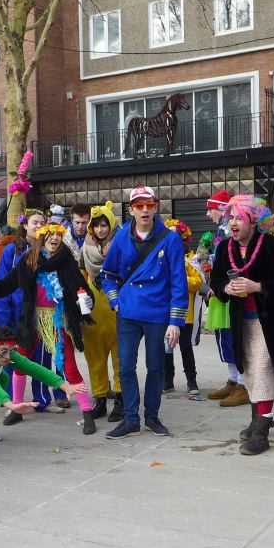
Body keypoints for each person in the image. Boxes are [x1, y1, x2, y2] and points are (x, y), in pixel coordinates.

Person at [0, 217, 99, 434]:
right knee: (20, 361)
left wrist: (87, 299)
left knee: (69, 367)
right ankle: (16, 408)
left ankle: (87, 413)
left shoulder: (67, 261)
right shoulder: (29, 260)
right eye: (50, 236)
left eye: (58, 236)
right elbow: (7, 284)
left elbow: (82, 288)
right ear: (42, 239)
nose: (54, 239)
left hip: (59, 320)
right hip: (33, 321)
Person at [208, 195, 274, 456]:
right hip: (239, 321)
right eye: (231, 217)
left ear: (253, 221)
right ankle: (260, 418)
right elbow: (215, 279)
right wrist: (226, 287)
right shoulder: (225, 248)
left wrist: (258, 287)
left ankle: (260, 433)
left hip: (268, 322)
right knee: (249, 372)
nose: (233, 223)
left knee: (263, 372)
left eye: (239, 218)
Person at [98, 186, 188, 439]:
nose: (145, 209)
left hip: (158, 314)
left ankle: (151, 417)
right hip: (127, 312)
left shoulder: (170, 240)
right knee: (125, 367)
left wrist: (175, 322)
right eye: (139, 205)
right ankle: (130, 419)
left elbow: (178, 282)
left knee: (155, 367)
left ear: (156, 206)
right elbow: (108, 274)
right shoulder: (121, 238)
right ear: (131, 210)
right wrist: (115, 300)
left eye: (149, 204)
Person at [201, 190, 249, 405]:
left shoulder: (233, 234)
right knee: (225, 338)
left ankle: (242, 384)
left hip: (236, 293)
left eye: (210, 209)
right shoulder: (221, 231)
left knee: (234, 337)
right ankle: (232, 381)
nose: (207, 214)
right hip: (222, 291)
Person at [79, 201, 123, 423]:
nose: (100, 230)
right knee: (95, 359)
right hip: (93, 310)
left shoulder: (123, 244)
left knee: (120, 358)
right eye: (96, 226)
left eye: (104, 225)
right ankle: (100, 399)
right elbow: (80, 279)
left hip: (118, 308)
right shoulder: (85, 249)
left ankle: (121, 402)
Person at [160, 218, 204, 400]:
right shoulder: (161, 259)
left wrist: (181, 281)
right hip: (165, 314)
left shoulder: (189, 262)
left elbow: (199, 281)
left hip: (185, 315)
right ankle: (167, 381)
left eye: (176, 236)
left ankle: (191, 381)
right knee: (166, 349)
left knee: (186, 348)